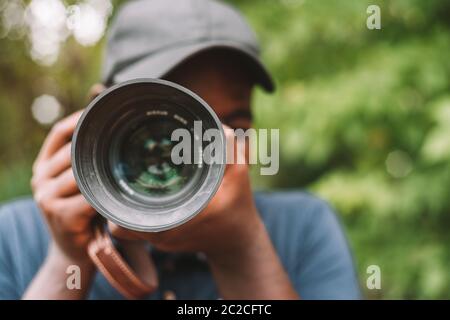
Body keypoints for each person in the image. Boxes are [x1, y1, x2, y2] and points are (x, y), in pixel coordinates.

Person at [0, 0, 360, 300]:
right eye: (169, 125)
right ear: (97, 114)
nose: (205, 153)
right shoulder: (16, 235)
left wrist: (242, 246)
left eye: (233, 128)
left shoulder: (303, 226)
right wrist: (68, 258)